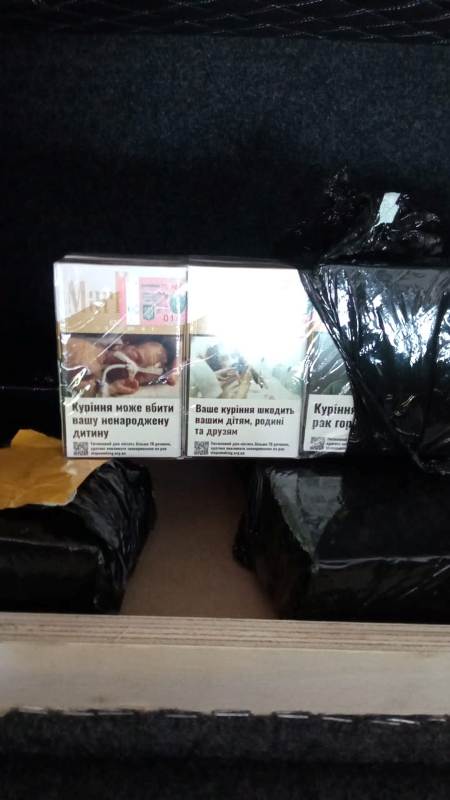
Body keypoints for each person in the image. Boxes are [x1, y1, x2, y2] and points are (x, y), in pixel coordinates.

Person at [62, 334, 178, 397]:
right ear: (124, 344)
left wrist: (109, 389)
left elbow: (73, 392)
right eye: (136, 357)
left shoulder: (100, 381)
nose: (133, 369)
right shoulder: (93, 347)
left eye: (140, 376)